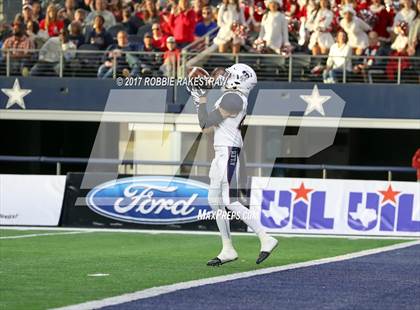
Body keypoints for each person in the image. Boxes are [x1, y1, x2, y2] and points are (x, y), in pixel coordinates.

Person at [188, 63, 278, 266]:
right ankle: (227, 248)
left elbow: (204, 122)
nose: (224, 77)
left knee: (230, 200)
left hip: (228, 151)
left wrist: (199, 98)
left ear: (239, 79)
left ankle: (265, 237)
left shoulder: (234, 98)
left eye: (229, 74)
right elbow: (207, 129)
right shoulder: (230, 97)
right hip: (221, 151)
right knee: (214, 199)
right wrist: (200, 99)